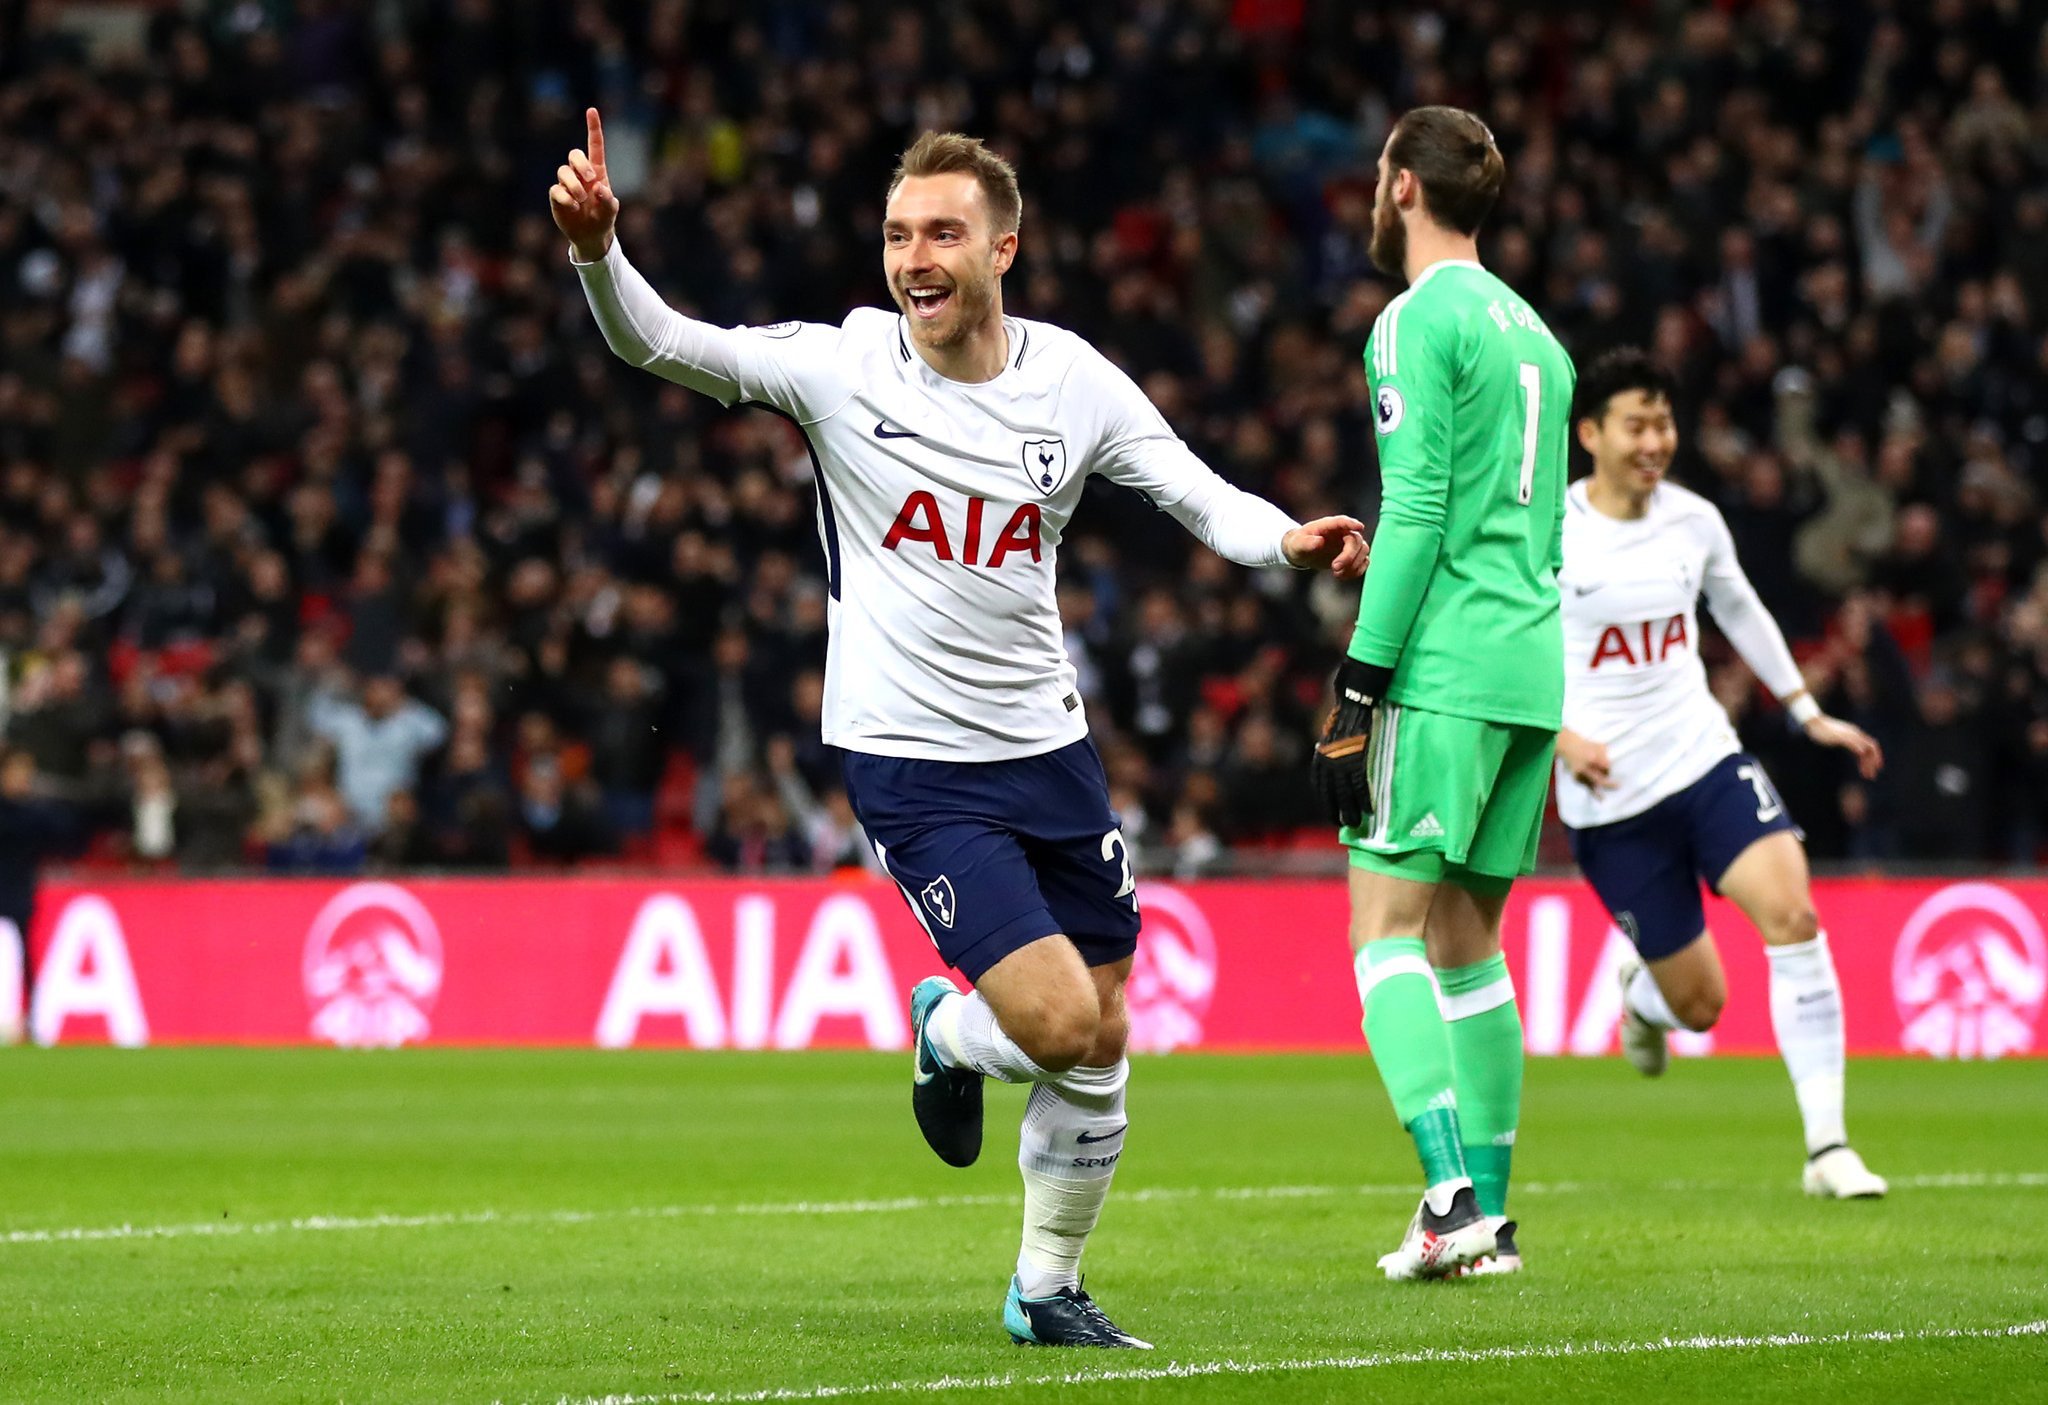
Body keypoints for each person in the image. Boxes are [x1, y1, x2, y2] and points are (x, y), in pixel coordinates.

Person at [551, 110, 1366, 1347]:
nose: (913, 257)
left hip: (1047, 747)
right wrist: (600, 254)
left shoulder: (1073, 381)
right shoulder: (841, 367)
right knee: (1047, 1023)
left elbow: (1192, 488)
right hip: (912, 760)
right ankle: (945, 1024)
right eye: (895, 235)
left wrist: (1285, 539)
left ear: (1004, 251)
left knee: (1099, 1039)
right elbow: (662, 344)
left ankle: (1044, 1288)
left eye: (942, 233)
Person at [1310, 106, 1573, 1280]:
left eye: (1379, 175)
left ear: (1404, 185)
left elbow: (1414, 510)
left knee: (1382, 936)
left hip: (1445, 667)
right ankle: (1492, 1224)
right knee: (1469, 950)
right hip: (1528, 671)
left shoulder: (1412, 320)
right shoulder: (1541, 338)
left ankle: (1447, 1193)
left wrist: (1358, 680)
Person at [1555, 348, 1889, 1199]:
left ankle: (1827, 1149)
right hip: (1610, 800)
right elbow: (1500, 649)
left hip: (1704, 758)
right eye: (1636, 422)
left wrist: (1807, 710)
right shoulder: (1547, 533)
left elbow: (1740, 606)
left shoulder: (1694, 519)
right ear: (1590, 432)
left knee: (1794, 911)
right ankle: (1643, 999)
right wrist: (1560, 738)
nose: (1654, 439)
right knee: (1702, 1004)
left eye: (1663, 421)